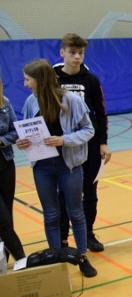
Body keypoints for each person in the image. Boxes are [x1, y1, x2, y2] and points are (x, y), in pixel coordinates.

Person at [17, 59, 97, 278]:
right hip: (42, 167)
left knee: (76, 213)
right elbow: (25, 132)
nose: (25, 84)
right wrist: (22, 142)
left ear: (40, 80)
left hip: (68, 165)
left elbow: (89, 130)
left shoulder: (71, 100)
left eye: (28, 79)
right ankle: (57, 260)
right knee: (51, 214)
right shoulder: (30, 102)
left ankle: (82, 257)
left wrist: (64, 140)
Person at [54, 33, 111, 252]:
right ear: (62, 52)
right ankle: (62, 238)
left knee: (90, 191)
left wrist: (103, 143)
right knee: (64, 193)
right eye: (72, 53)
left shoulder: (91, 80)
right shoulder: (53, 78)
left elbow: (101, 112)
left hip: (91, 143)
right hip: (63, 144)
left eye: (81, 53)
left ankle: (87, 234)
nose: (77, 57)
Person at [0, 77, 27, 273]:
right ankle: (21, 258)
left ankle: (6, 255)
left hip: (5, 163)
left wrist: (1, 141)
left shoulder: (5, 102)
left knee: (6, 213)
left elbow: (15, 131)